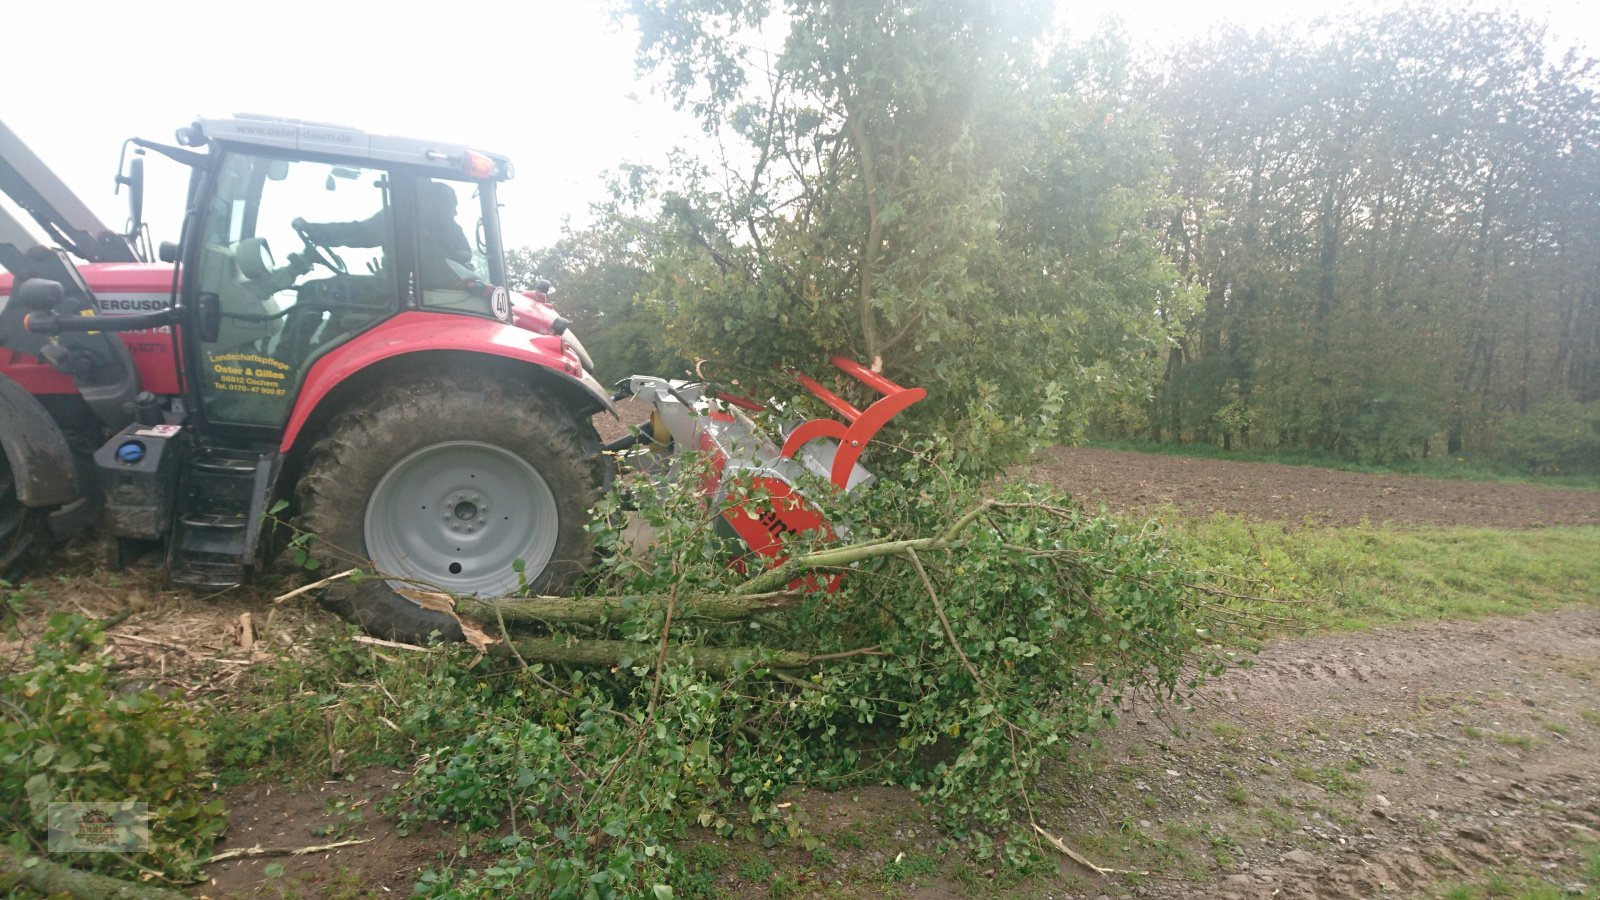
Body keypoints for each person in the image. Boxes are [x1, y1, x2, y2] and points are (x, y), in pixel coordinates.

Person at [292, 180, 472, 291]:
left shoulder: (403, 218)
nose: (455, 211)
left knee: (313, 291)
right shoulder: (451, 229)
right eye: (452, 205)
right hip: (414, 291)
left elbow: (360, 233)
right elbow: (463, 257)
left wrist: (315, 231)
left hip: (404, 293)